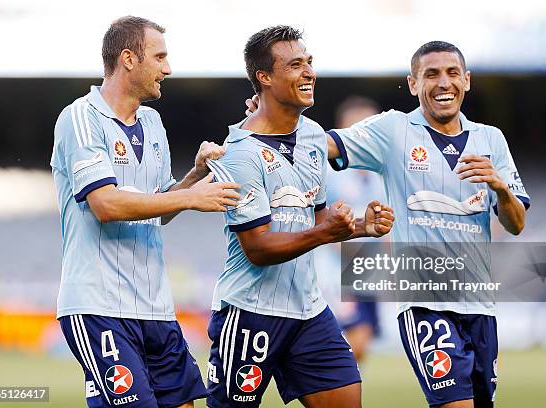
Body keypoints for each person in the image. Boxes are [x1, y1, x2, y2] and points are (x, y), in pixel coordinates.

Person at [247, 41, 529, 408]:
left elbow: (516, 223)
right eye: (431, 74)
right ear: (413, 84)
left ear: (467, 81)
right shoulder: (394, 129)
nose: (444, 83)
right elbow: (323, 144)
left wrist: (499, 187)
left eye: (452, 73)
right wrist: (268, 116)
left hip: (479, 304)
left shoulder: (491, 140)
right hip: (425, 302)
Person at [50, 16, 240, 408]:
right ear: (128, 59)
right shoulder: (80, 118)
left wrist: (194, 175)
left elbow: (159, 206)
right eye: (160, 57)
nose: (167, 69)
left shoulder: (152, 123)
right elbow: (105, 204)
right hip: (98, 307)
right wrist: (190, 198)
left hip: (155, 307)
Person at [205, 26, 394, 408]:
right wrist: (325, 233)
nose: (309, 72)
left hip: (309, 310)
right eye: (295, 64)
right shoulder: (239, 153)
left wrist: (361, 227)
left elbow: (320, 217)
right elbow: (257, 248)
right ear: (265, 77)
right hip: (250, 314)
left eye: (309, 62)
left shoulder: (311, 136)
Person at [322, 96, 386, 363]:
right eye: (357, 127)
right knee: (352, 337)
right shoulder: (329, 172)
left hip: (367, 273)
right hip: (334, 272)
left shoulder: (381, 175)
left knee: (363, 340)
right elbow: (320, 220)